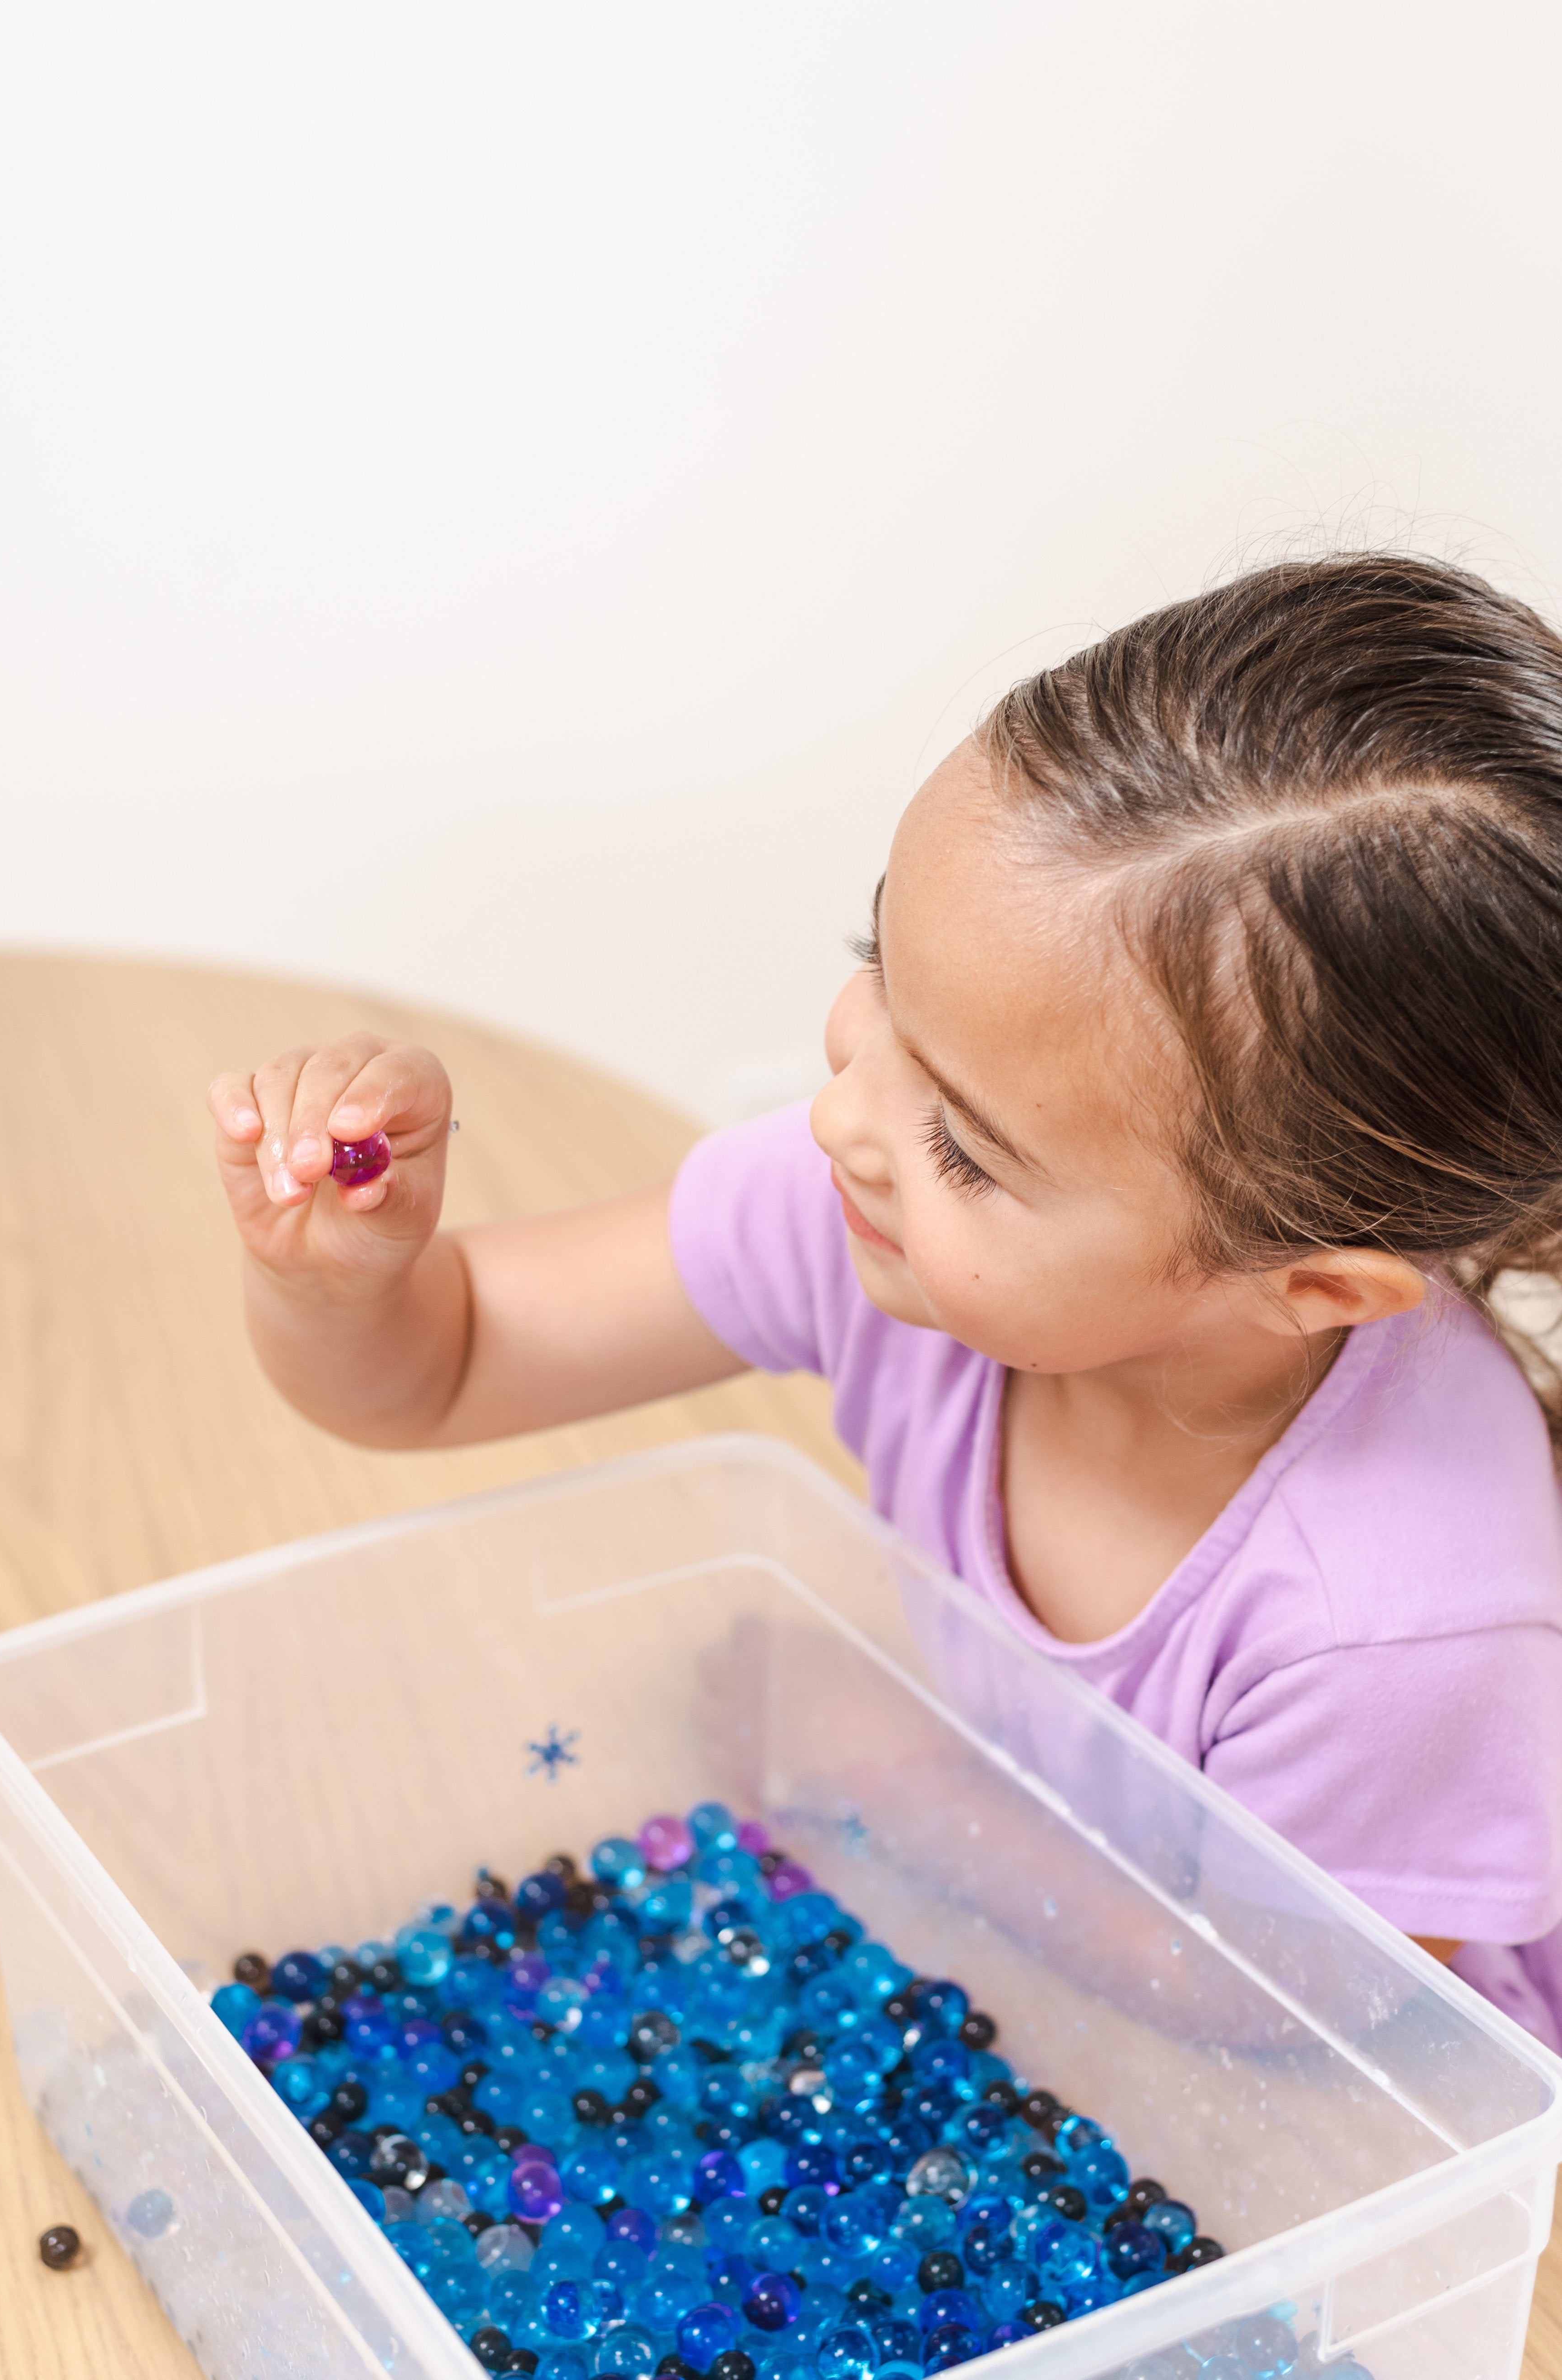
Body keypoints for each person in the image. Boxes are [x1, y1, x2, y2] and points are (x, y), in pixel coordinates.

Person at [209, 553, 1562, 2050]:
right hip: (1035, 1979)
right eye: (880, 974)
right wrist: (341, 1281)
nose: (847, 1113)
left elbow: (1318, 2024)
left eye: (966, 1146)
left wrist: (895, 1782)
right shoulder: (883, 1215)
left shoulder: (1399, 1621)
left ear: (1310, 1285)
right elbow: (440, 1368)